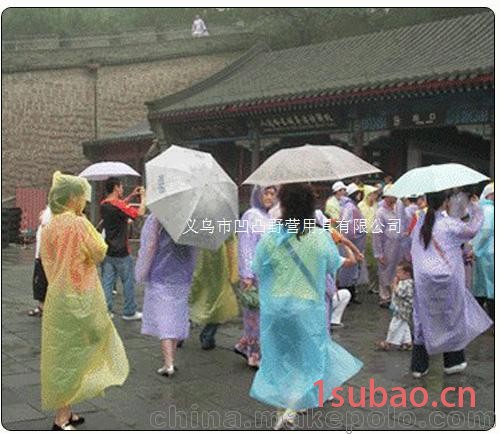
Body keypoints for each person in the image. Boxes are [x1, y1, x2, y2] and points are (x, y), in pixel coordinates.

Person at [249, 183, 362, 430]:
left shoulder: (271, 236)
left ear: (284, 205)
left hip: (277, 308)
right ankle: (291, 409)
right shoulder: (319, 236)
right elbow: (334, 264)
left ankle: (282, 408)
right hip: (307, 308)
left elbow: (257, 268)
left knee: (279, 358)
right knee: (307, 361)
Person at [40, 172, 129, 430]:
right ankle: (60, 417)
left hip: (58, 297)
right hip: (81, 296)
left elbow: (47, 260)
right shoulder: (78, 224)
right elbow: (100, 252)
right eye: (81, 196)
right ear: (72, 198)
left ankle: (67, 411)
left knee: (63, 355)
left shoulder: (49, 226)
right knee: (82, 351)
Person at [410, 190, 492, 378]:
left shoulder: (421, 223)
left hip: (424, 280)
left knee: (423, 317)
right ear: (446, 202)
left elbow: (413, 249)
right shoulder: (449, 225)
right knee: (452, 316)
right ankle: (453, 361)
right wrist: (474, 207)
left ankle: (419, 365)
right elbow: (472, 229)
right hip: (449, 280)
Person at [135, 214, 197, 376]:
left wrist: (142, 272)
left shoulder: (157, 218)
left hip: (161, 274)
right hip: (182, 276)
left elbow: (149, 246)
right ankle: (170, 360)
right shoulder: (192, 219)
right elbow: (194, 250)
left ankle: (168, 363)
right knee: (176, 318)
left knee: (164, 320)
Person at [234, 185, 277, 368]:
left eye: (272, 194)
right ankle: (254, 354)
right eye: (266, 193)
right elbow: (245, 247)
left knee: (265, 314)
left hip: (270, 274)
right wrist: (247, 275)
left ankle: (245, 344)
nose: (269, 197)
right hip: (255, 274)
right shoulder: (250, 216)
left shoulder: (271, 217)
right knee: (254, 316)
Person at [100, 177, 146, 320]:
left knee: (107, 282)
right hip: (122, 251)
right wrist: (143, 198)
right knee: (128, 282)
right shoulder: (118, 205)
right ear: (115, 188)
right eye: (120, 187)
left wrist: (132, 196)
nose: (122, 189)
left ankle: (106, 311)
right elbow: (139, 213)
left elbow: (119, 206)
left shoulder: (104, 204)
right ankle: (129, 311)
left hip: (108, 250)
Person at [189, 234, 239, 350]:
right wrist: (233, 274)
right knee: (221, 303)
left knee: (195, 298)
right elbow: (231, 248)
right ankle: (208, 334)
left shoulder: (196, 221)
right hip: (220, 266)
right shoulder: (225, 222)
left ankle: (182, 330)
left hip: (199, 264)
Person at [373, 185, 403, 308]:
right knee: (385, 271)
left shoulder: (397, 209)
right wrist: (378, 253)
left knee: (395, 271)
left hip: (397, 246)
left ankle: (393, 294)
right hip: (386, 246)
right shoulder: (380, 213)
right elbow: (376, 233)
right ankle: (384, 296)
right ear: (387, 197)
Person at [337, 182, 366, 304]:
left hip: (353, 242)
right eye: (358, 194)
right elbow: (347, 228)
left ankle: (350, 294)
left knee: (352, 269)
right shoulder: (350, 208)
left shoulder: (351, 206)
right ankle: (347, 295)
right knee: (348, 270)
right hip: (351, 243)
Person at [378, 261, 414, 351]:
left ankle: (389, 342)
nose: (397, 275)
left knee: (394, 325)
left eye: (399, 272)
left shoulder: (406, 283)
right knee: (404, 325)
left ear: (407, 273)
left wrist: (394, 285)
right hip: (403, 309)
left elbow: (399, 293)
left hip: (401, 309)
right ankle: (407, 342)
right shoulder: (408, 283)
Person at [471, 182, 494, 321]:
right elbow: (485, 232)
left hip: (485, 252)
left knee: (484, 285)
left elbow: (485, 232)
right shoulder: (489, 210)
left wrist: (475, 249)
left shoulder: (486, 209)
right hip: (487, 252)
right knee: (487, 285)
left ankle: (479, 318)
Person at [28, 206, 52, 317]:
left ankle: (43, 307)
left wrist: (42, 252)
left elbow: (45, 228)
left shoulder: (52, 211)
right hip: (44, 254)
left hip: (44, 255)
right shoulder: (51, 210)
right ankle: (43, 306)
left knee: (41, 281)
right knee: (42, 281)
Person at [358, 184, 379, 292]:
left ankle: (374, 284)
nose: (374, 196)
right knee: (365, 260)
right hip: (364, 237)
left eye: (375, 194)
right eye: (371, 194)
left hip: (376, 236)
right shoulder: (360, 206)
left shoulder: (377, 206)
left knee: (375, 262)